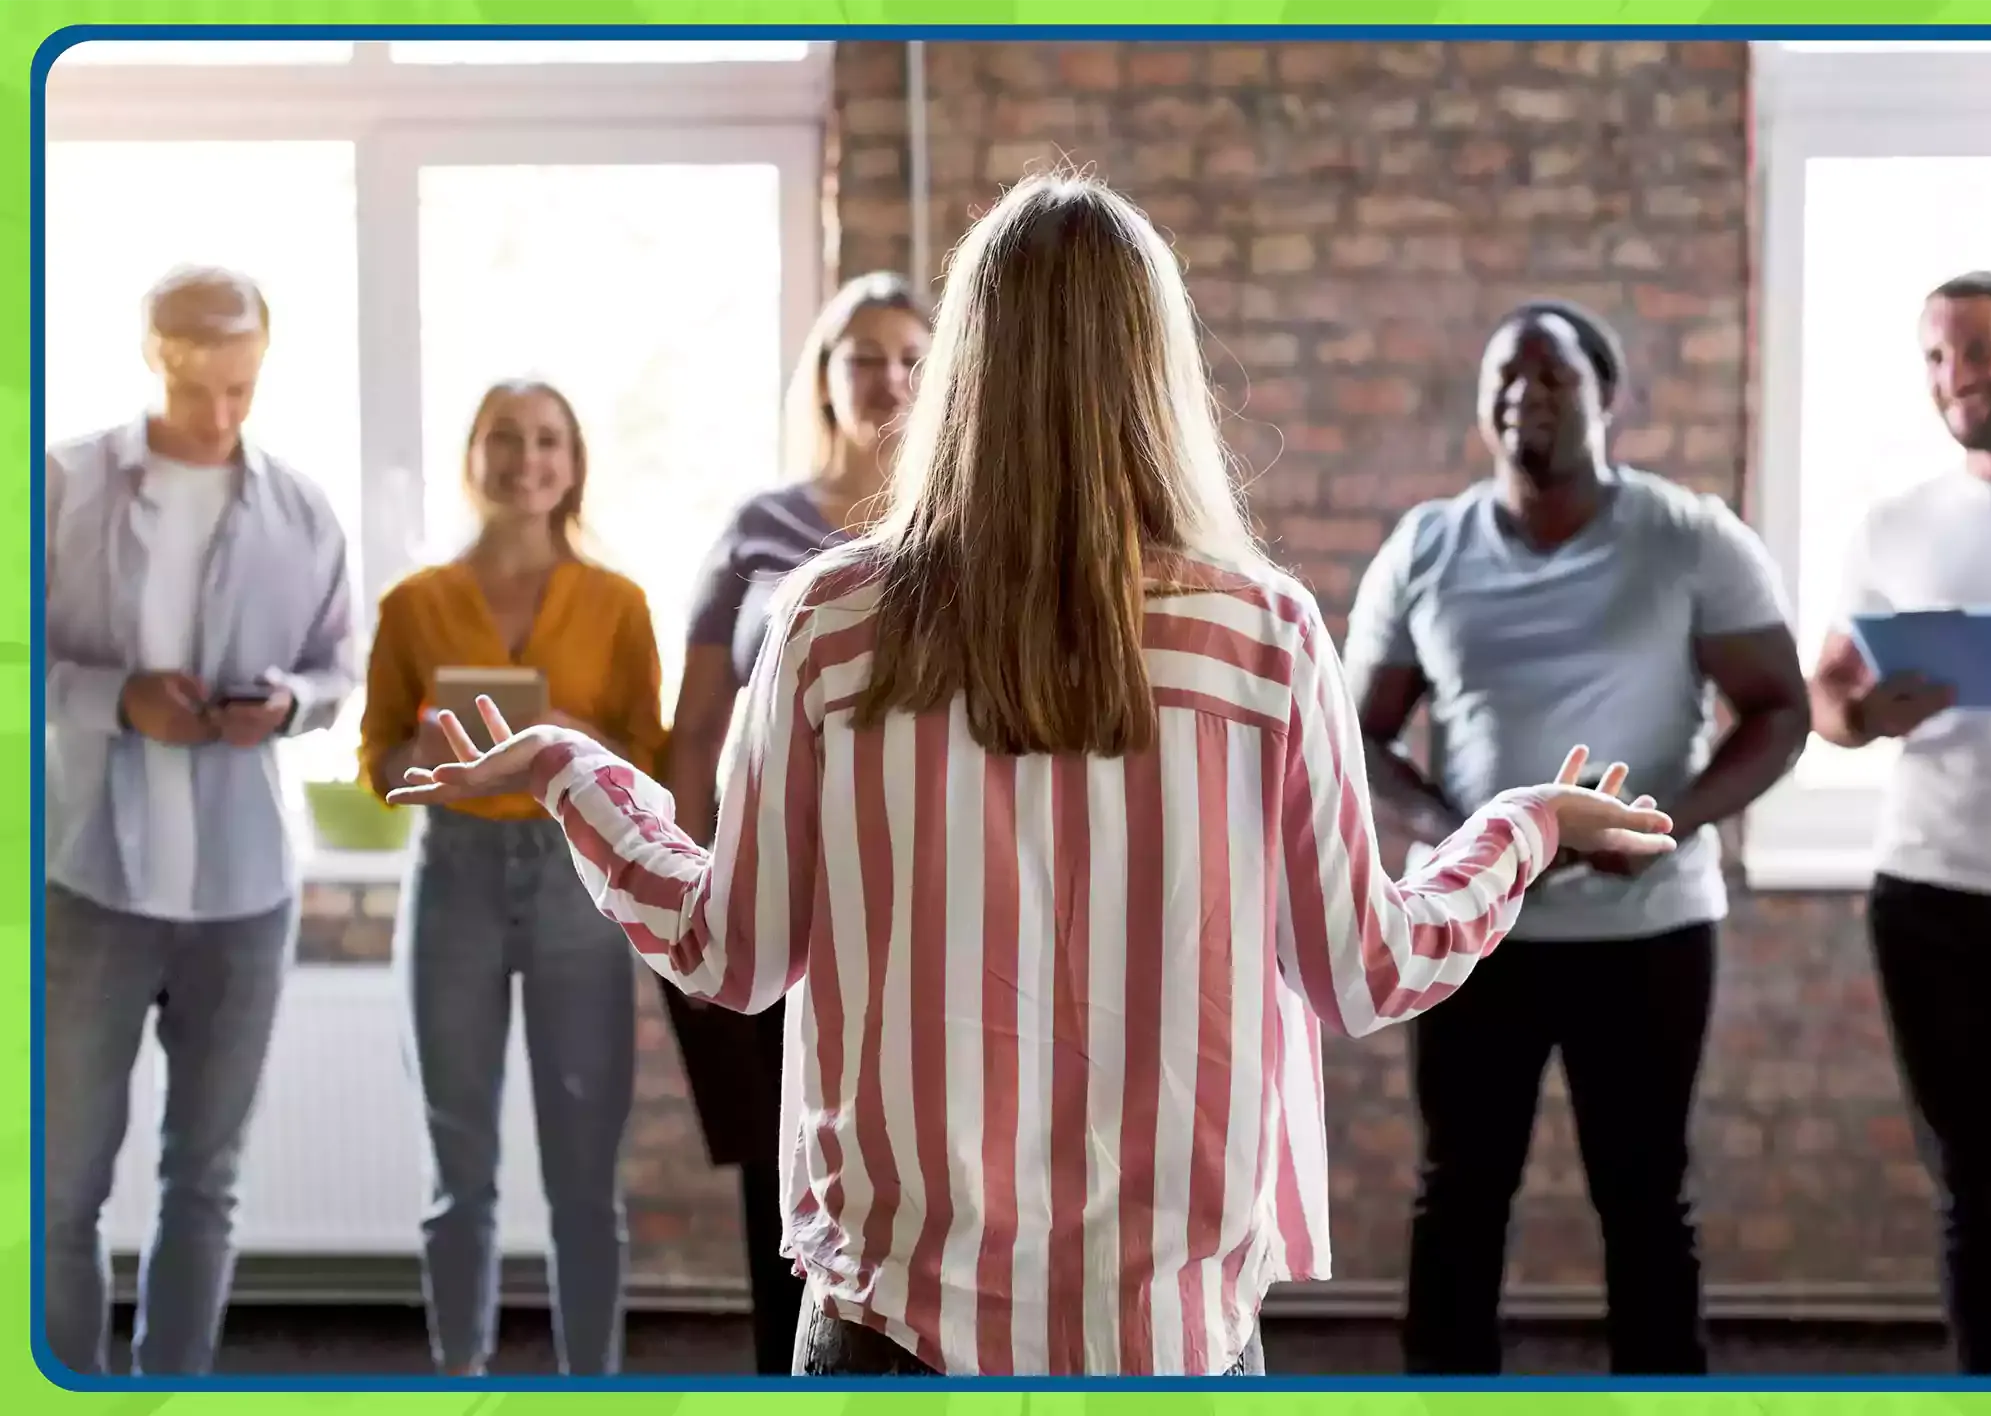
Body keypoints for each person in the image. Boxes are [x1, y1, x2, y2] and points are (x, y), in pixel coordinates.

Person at [381, 172, 1678, 1378]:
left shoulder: (831, 621)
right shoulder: (1263, 635)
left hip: (894, 1329)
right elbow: (1366, 970)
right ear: (1156, 372)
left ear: (960, 366)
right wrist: (1523, 828)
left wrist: (570, 774)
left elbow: (732, 953)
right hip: (1169, 1343)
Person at [1344, 300, 1810, 1375]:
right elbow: (1358, 739)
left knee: (1645, 1197)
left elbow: (1780, 709)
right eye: (1505, 378)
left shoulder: (1690, 537)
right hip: (1472, 937)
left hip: (1648, 934)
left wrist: (1659, 827)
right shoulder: (1427, 547)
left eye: (1552, 375)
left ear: (1609, 397)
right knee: (1459, 1194)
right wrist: (1485, 842)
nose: (1526, 395)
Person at [42, 265, 360, 1375]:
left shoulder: (302, 510)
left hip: (245, 896)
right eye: (197, 389)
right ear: (153, 358)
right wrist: (112, 698)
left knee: (205, 1182)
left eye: (242, 387)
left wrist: (289, 704)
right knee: (59, 1187)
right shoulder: (59, 485)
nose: (221, 415)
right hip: (86, 885)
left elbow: (338, 668)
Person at [358, 380, 666, 1376]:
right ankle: (461, 1378)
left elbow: (649, 765)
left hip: (577, 878)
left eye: (545, 440)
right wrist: (423, 754)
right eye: (503, 437)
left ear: (571, 464)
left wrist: (574, 739)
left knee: (584, 1180)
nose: (525, 459)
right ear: (472, 455)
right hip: (453, 875)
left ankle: (594, 1387)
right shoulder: (413, 605)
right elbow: (377, 765)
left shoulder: (619, 605)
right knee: (459, 1172)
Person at [659, 271, 930, 1375]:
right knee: (779, 1176)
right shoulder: (758, 529)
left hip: (896, 897)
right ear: (822, 377)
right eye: (862, 358)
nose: (888, 380)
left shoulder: (954, 522)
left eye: (911, 359)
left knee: (888, 1163)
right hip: (770, 882)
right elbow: (694, 730)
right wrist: (696, 889)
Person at [1808, 270, 1991, 1375]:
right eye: (1934, 357)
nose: (1954, 377)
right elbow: (1828, 693)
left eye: (1978, 352)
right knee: (1974, 1186)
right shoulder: (1896, 524)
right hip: (1931, 896)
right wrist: (1867, 716)